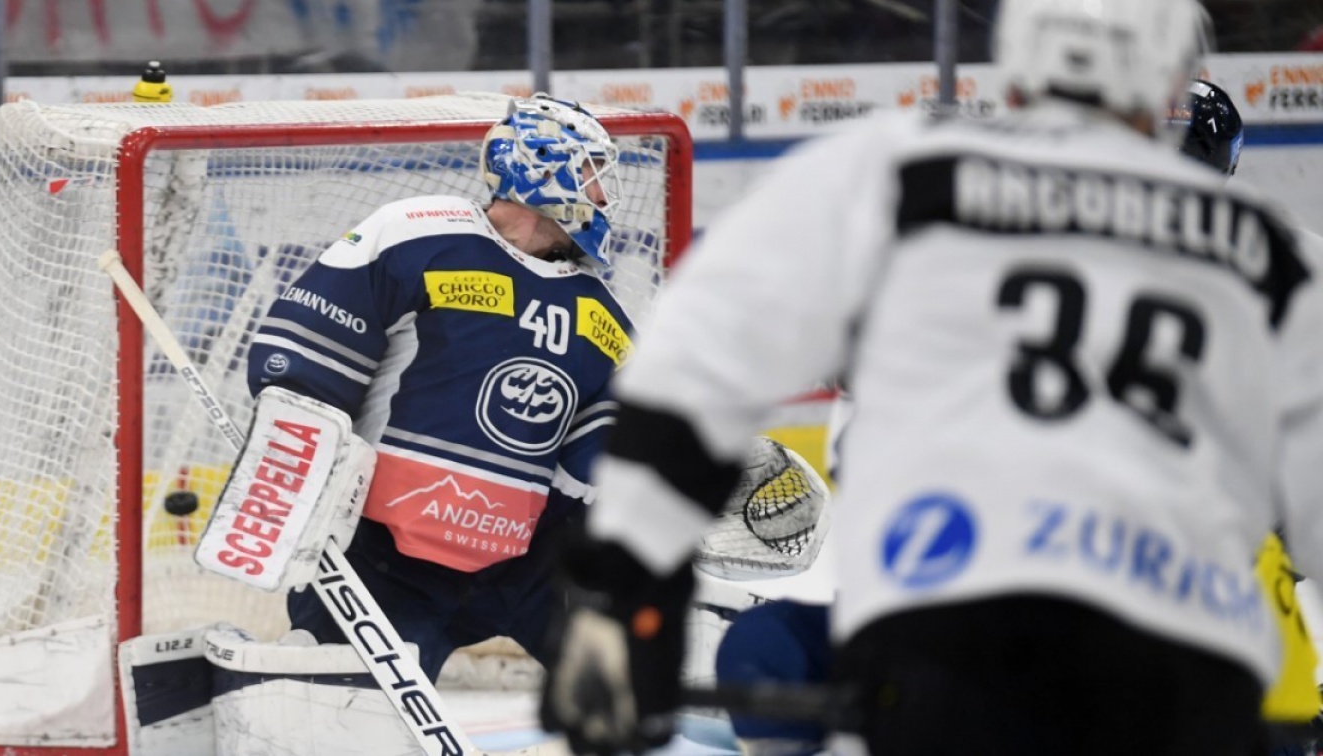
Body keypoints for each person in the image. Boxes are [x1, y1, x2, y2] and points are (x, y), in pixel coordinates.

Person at [540, 1, 1323, 755]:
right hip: (1185, 671)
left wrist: (624, 593)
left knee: (770, 650)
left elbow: (696, 362)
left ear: (1014, 60)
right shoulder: (1271, 254)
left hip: (944, 646)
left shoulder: (898, 170)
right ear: (1171, 78)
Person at [200, 94, 633, 753]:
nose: (604, 195)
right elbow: (300, 367)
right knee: (339, 732)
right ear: (545, 170)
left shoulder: (601, 313)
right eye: (594, 173)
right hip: (385, 561)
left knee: (641, 684)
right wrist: (305, 485)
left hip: (523, 568)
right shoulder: (419, 234)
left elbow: (597, 463)